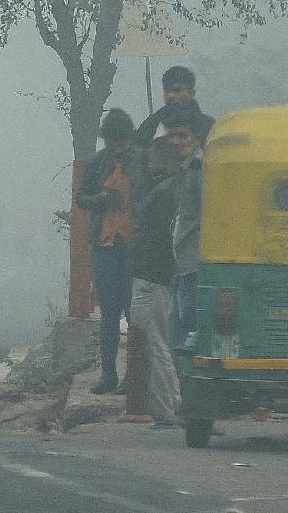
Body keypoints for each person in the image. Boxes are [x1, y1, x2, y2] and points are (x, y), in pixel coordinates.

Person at [78, 108, 142, 394]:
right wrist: (100, 200)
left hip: (134, 247)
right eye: (112, 142)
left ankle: (134, 375)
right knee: (109, 314)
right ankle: (108, 374)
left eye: (122, 142)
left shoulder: (143, 161)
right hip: (105, 245)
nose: (117, 148)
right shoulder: (97, 163)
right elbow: (82, 198)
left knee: (134, 313)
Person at [127, 133, 185, 425]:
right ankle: (170, 407)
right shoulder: (172, 190)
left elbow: (163, 237)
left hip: (152, 276)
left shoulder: (165, 192)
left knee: (156, 343)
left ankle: (167, 409)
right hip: (159, 277)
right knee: (161, 343)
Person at [170, 106, 214, 377]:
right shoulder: (180, 167)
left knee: (189, 321)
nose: (177, 142)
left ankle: (187, 378)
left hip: (193, 255)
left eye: (183, 136)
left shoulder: (199, 169)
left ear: (196, 137)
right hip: (180, 256)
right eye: (173, 136)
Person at [137, 66, 216, 145]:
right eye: (167, 91)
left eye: (177, 90)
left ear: (192, 93)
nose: (170, 95)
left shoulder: (208, 126)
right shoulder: (151, 125)